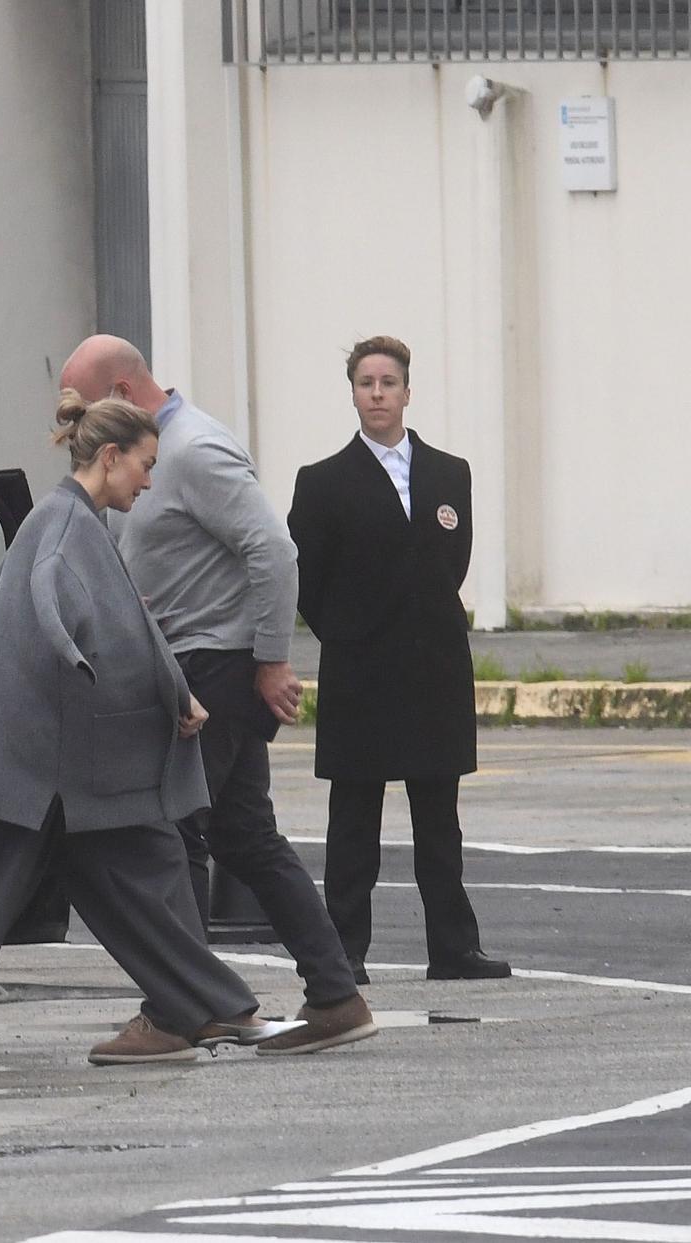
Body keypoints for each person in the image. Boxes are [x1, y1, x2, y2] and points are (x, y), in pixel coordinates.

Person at [0, 389, 304, 1072]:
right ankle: (216, 1007)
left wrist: (173, 689)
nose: (150, 481)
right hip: (42, 770)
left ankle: (215, 1007)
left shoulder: (77, 521)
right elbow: (57, 607)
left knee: (132, 883)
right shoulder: (64, 528)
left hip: (53, 769)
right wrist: (80, 656)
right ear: (112, 457)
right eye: (145, 466)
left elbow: (125, 624)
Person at [60, 335, 375, 1055]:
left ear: (123, 389)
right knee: (243, 834)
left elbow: (274, 549)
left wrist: (270, 661)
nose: (75, 424)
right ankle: (334, 993)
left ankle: (178, 1008)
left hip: (216, 670)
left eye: (82, 405)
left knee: (174, 835)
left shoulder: (193, 449)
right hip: (195, 664)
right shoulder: (148, 450)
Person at [288, 335, 510, 983]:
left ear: (408, 391)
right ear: (353, 393)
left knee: (439, 822)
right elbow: (309, 581)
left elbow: (452, 561)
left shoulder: (450, 473)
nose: (378, 393)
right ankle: (343, 952)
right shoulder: (323, 482)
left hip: (436, 669)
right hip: (360, 674)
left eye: (388, 382)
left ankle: (453, 947)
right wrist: (352, 636)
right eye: (366, 382)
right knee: (354, 822)